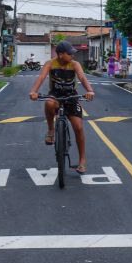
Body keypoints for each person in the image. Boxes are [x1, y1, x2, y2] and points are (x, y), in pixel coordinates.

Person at [29, 41, 95, 174]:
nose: (72, 56)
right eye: (69, 54)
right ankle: (51, 130)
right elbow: (42, 77)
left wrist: (90, 91)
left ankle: (82, 160)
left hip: (71, 97)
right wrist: (34, 91)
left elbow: (82, 77)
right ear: (60, 54)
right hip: (56, 95)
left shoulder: (75, 64)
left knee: (78, 127)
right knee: (48, 102)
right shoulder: (50, 63)